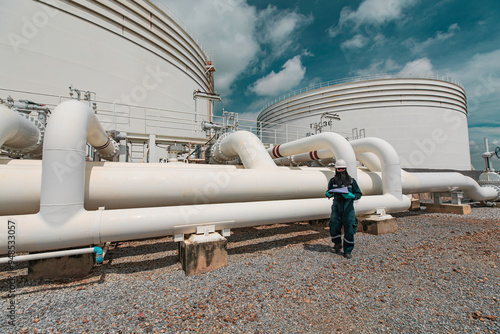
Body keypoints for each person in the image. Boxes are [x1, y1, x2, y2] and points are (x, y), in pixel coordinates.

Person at [325, 159, 362, 259]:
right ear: (336, 169)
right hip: (336, 207)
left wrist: (352, 196)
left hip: (348, 208)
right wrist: (328, 194)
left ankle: (348, 250)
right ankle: (337, 244)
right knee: (334, 225)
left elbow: (358, 193)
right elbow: (328, 191)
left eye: (342, 169)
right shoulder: (332, 181)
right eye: (339, 169)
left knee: (349, 227)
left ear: (345, 169)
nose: (341, 170)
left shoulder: (351, 181)